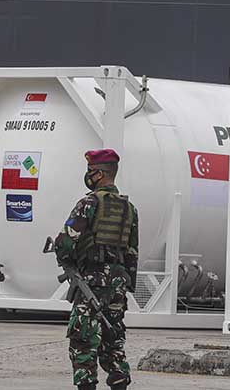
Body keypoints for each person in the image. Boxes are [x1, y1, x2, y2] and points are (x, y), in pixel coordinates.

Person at [54, 149, 139, 390]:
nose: (88, 175)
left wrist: (69, 261)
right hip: (118, 284)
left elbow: (65, 241)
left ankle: (86, 386)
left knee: (83, 340)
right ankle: (120, 383)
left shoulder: (89, 203)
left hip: (91, 281)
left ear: (99, 174)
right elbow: (132, 251)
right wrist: (125, 285)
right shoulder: (129, 208)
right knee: (113, 340)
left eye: (90, 171)